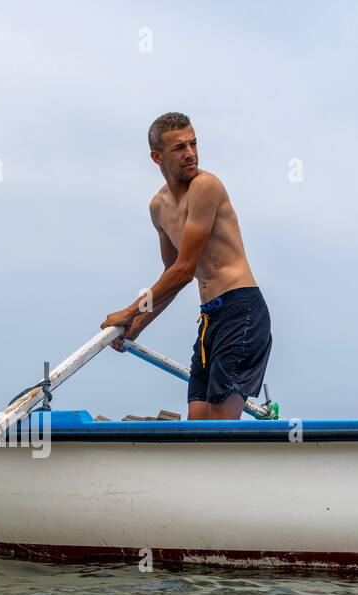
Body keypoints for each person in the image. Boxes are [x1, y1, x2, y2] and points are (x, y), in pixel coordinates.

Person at [100, 112, 271, 421]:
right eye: (179, 148)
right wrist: (138, 326)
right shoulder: (158, 207)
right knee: (197, 420)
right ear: (157, 157)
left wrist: (129, 312)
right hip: (210, 319)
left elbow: (185, 270)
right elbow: (172, 276)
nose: (191, 153)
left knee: (218, 426)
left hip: (241, 311)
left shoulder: (206, 187)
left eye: (193, 144)